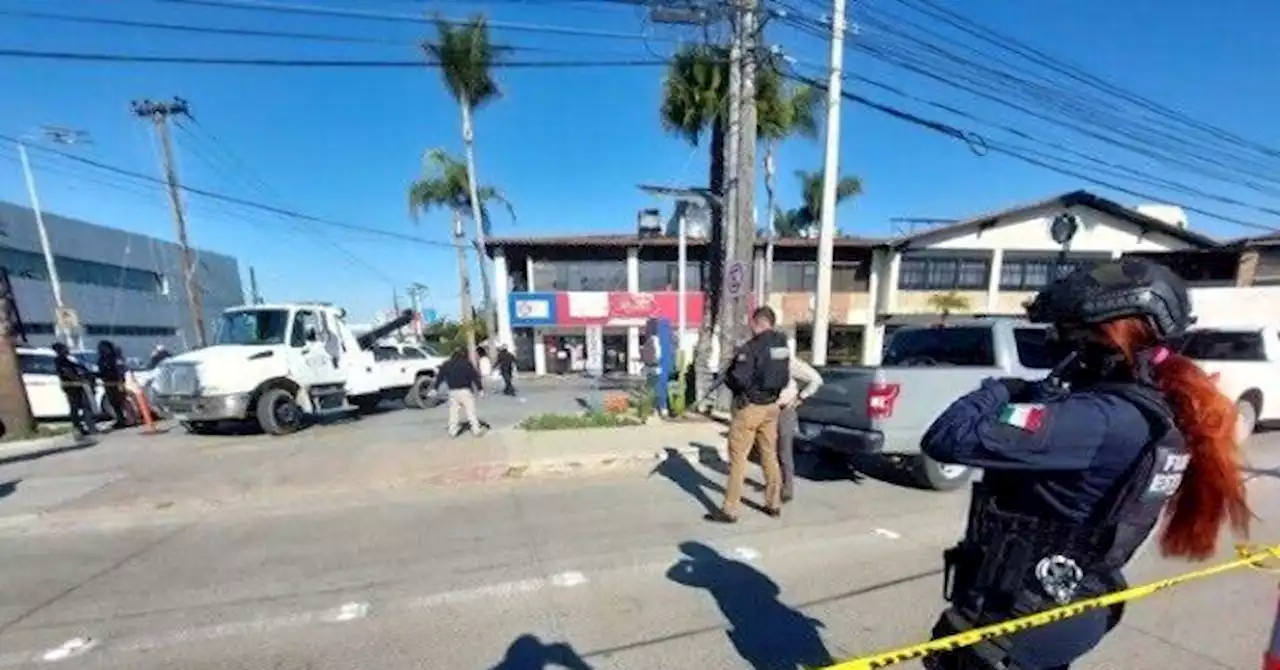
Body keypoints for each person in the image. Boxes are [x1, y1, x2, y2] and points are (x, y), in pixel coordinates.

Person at [919, 259, 1251, 670]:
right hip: (1063, 605)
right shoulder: (1150, 408)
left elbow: (947, 436)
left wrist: (1002, 389)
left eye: (1068, 331)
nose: (1058, 341)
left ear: (1110, 335)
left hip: (1017, 619)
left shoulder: (1100, 417)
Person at [705, 306, 793, 524]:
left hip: (750, 408)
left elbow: (739, 379)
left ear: (759, 323)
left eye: (753, 323)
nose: (750, 327)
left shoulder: (751, 347)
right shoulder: (782, 344)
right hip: (772, 407)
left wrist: (732, 373)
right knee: (769, 455)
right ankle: (773, 504)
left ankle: (730, 510)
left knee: (738, 457)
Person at [776, 356, 824, 503]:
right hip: (766, 409)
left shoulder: (789, 361)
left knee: (784, 450)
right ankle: (773, 483)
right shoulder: (762, 357)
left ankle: (787, 488)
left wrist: (801, 397)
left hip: (785, 408)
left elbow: (816, 379)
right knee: (768, 449)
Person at [435, 349, 486, 437]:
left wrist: (435, 388)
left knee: (454, 412)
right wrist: (480, 389)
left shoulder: (447, 364)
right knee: (470, 411)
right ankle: (476, 429)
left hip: (452, 391)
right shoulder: (466, 364)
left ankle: (452, 430)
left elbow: (440, 377)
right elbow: (475, 376)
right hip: (465, 391)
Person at [53, 342, 97, 437]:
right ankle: (78, 428)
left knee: (83, 406)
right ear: (60, 350)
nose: (67, 350)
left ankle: (85, 426)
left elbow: (80, 368)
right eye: (65, 348)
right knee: (75, 408)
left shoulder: (69, 359)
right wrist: (79, 379)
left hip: (77, 386)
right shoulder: (61, 360)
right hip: (72, 387)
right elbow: (68, 373)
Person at [96, 340, 131, 429]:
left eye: (103, 347)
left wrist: (121, 381)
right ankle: (120, 419)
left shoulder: (113, 358)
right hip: (107, 383)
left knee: (121, 401)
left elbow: (119, 371)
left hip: (116, 382)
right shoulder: (102, 359)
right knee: (114, 403)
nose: (102, 349)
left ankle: (128, 419)